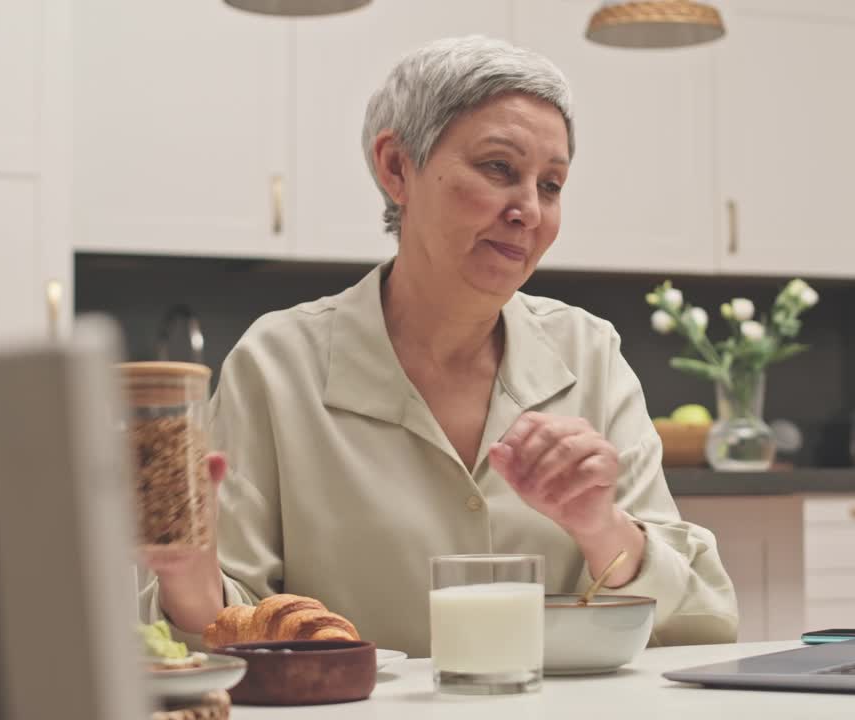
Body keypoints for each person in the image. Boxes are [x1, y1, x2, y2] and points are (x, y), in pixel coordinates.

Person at [141, 35, 738, 658]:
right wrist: (187, 573)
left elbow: (700, 623)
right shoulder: (276, 365)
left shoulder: (589, 353)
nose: (529, 210)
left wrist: (602, 526)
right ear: (397, 168)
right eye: (499, 168)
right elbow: (223, 633)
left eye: (552, 184)